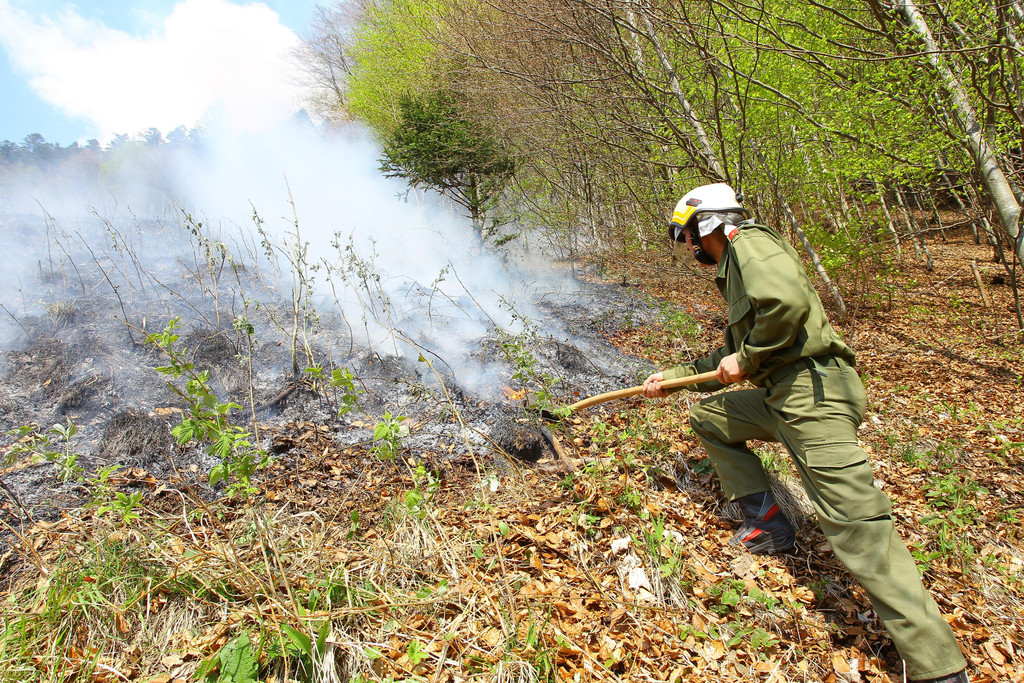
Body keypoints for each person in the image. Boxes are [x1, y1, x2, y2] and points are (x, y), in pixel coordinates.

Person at [641, 183, 969, 683]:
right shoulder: (733, 271)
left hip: (811, 396)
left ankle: (938, 667)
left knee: (858, 528)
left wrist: (745, 359)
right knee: (709, 419)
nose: (690, 247)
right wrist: (674, 375)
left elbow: (786, 306)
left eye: (689, 235)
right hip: (778, 395)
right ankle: (769, 523)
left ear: (709, 225)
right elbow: (732, 353)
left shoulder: (748, 243)